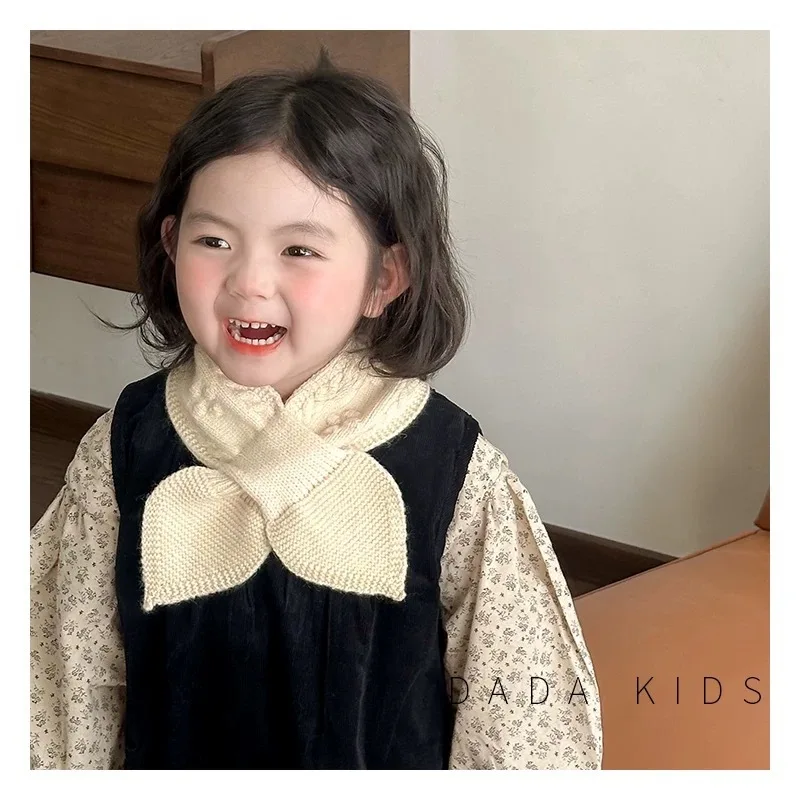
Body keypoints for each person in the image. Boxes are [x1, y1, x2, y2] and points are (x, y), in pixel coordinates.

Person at [30, 51, 602, 770]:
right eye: (213, 241)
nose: (248, 282)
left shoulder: (456, 473)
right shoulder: (123, 447)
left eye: (299, 249)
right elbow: (60, 684)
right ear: (171, 244)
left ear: (384, 278)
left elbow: (519, 713)